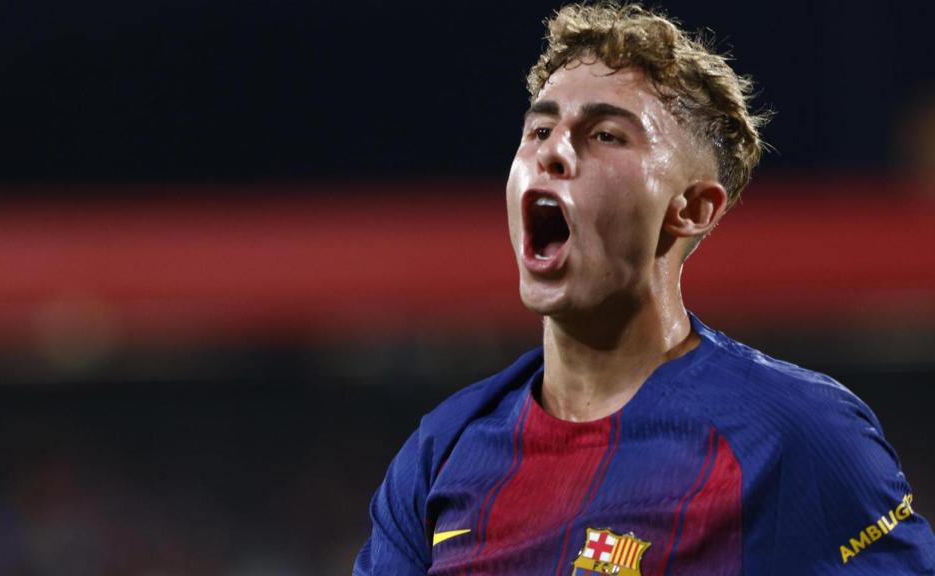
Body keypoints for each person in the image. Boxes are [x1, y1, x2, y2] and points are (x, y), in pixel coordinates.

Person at [353, 3, 935, 574]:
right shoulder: (442, 451)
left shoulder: (796, 434)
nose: (552, 151)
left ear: (692, 209)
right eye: (540, 129)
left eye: (606, 135)